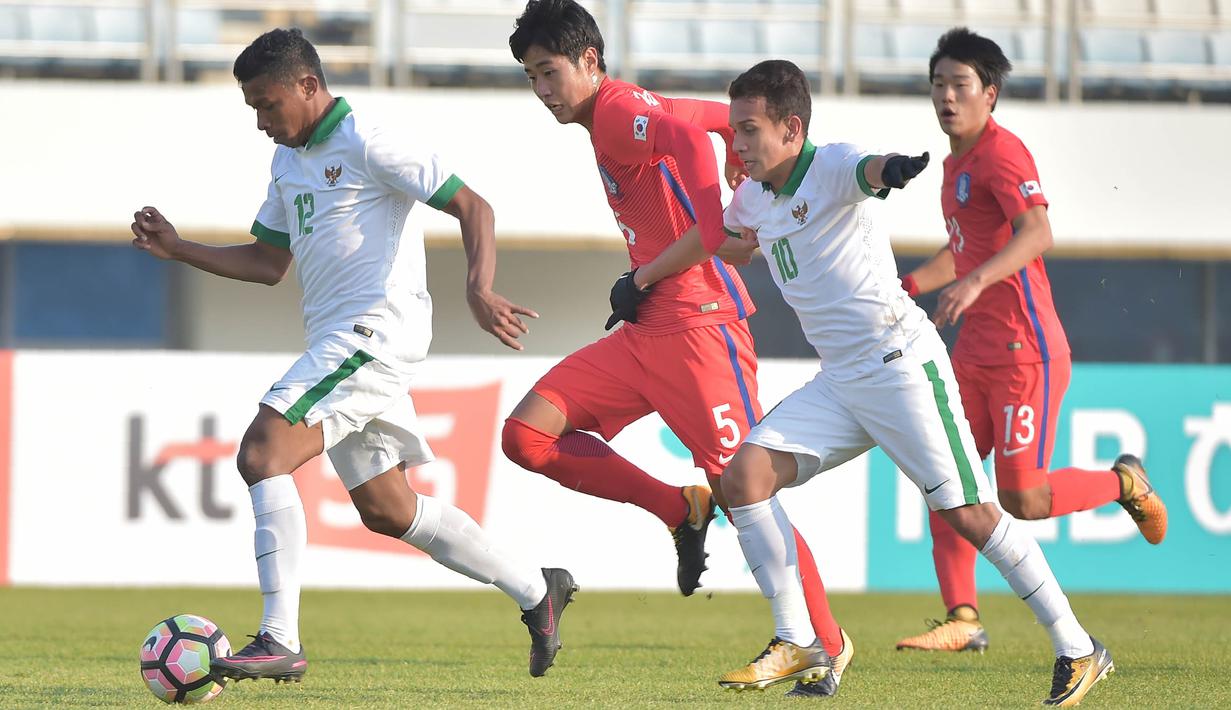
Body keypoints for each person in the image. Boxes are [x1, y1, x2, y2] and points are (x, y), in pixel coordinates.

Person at [130, 28, 576, 683]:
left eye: (267, 104)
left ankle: (280, 638)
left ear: (308, 86)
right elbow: (268, 262)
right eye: (252, 108)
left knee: (261, 452)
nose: (261, 122)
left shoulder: (367, 140)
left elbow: (471, 205)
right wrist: (181, 249)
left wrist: (478, 286)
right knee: (389, 510)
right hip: (341, 345)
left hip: (374, 335)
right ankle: (538, 591)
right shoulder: (287, 162)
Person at [716, 59, 1113, 706]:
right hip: (841, 381)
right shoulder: (752, 195)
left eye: (748, 130)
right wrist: (676, 260)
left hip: (899, 365)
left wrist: (892, 169)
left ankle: (1076, 646)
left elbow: (867, 170)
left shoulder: (835, 164)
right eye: (733, 131)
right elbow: (734, 238)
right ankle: (797, 638)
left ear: (792, 129)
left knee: (971, 513)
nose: (737, 144)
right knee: (744, 478)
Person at [502, 4, 844, 694]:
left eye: (549, 72)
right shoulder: (624, 109)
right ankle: (674, 508)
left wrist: (716, 223)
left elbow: (688, 150)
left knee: (745, 489)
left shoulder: (613, 109)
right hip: (643, 328)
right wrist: (732, 185)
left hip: (699, 328)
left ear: (589, 62)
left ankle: (825, 644)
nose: (542, 90)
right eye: (531, 77)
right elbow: (712, 123)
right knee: (525, 436)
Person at [895, 27, 1167, 654]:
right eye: (938, 84)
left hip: (1026, 352)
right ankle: (962, 616)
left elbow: (1037, 232)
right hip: (973, 354)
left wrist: (978, 281)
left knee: (1024, 498)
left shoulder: (1001, 152)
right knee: (944, 475)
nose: (946, 97)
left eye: (960, 85)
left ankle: (1126, 483)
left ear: (989, 94)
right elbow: (962, 251)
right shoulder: (954, 164)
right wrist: (907, 286)